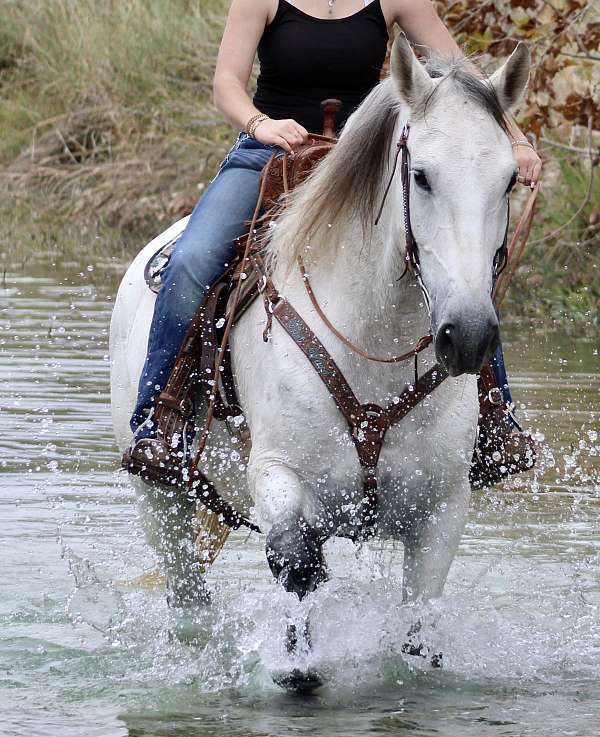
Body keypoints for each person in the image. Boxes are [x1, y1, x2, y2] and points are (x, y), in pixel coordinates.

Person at [124, 0, 542, 482]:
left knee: (465, 267)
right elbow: (226, 85)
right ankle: (158, 419)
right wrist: (262, 124)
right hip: (268, 153)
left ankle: (495, 419)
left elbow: (463, 79)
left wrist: (514, 138)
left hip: (364, 160)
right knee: (193, 260)